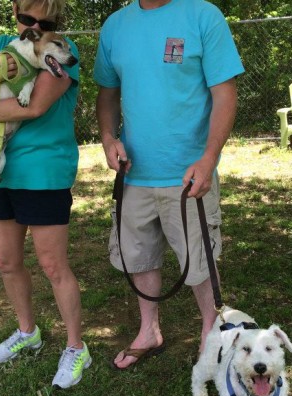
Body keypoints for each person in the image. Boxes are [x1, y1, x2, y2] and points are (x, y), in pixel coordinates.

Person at [94, 0, 244, 370]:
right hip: (133, 174)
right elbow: (107, 94)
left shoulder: (202, 15)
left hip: (188, 176)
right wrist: (108, 138)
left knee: (199, 262)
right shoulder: (115, 25)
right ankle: (149, 331)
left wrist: (208, 158)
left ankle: (211, 332)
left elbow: (225, 93)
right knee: (139, 256)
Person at [0, 0, 91, 388]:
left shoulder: (62, 50)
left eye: (47, 22)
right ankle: (27, 332)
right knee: (6, 262)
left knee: (53, 265)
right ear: (15, 13)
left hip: (44, 171)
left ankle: (77, 348)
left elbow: (34, 108)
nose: (37, 29)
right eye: (28, 20)